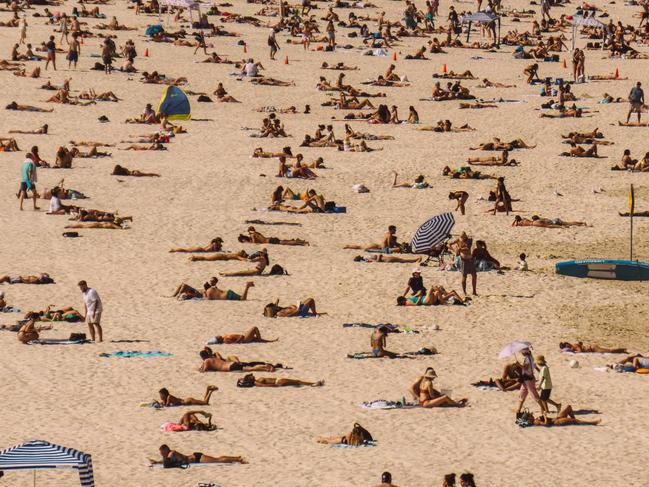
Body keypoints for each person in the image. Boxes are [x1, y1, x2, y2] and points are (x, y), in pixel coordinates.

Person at [150, 444, 246, 467]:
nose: (161, 454)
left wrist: (160, 461)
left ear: (166, 450)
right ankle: (237, 458)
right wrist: (156, 462)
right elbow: (167, 461)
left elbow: (168, 462)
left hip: (197, 458)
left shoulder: (172, 453)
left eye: (162, 452)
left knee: (218, 460)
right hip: (195, 457)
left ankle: (237, 458)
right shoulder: (170, 454)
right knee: (217, 459)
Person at [516, 348, 544, 417]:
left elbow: (525, 368)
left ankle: (543, 408)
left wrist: (518, 364)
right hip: (527, 379)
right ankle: (518, 410)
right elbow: (534, 366)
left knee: (534, 394)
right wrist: (540, 371)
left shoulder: (527, 358)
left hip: (528, 379)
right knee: (522, 393)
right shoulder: (530, 357)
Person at [199, 349, 277, 372]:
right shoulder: (213, 358)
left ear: (202, 357)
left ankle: (266, 368)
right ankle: (265, 366)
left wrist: (199, 369)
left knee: (249, 369)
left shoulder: (207, 361)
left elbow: (204, 370)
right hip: (231, 363)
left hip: (229, 367)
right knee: (248, 366)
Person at [529, 405, 601, 427]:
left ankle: (575, 422)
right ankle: (592, 423)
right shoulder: (536, 422)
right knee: (575, 421)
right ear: (529, 419)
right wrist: (544, 416)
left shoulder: (535, 419)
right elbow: (546, 424)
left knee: (568, 407)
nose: (531, 415)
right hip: (557, 422)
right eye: (530, 415)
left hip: (557, 418)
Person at [236, 373, 324, 387]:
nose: (253, 375)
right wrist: (274, 386)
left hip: (278, 380)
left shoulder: (256, 380)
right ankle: (313, 384)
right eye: (251, 375)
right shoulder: (256, 382)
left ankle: (313, 383)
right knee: (297, 382)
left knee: (297, 382)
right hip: (278, 382)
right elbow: (264, 385)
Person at [209, 326, 278, 344]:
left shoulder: (224, 337)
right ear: (219, 339)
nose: (217, 335)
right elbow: (236, 341)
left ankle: (270, 341)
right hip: (244, 339)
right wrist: (238, 341)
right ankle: (261, 340)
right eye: (217, 337)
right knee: (254, 328)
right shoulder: (225, 340)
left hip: (243, 337)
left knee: (256, 338)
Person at [559, 342, 627, 353]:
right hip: (592, 347)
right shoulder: (574, 345)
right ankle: (622, 351)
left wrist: (574, 352)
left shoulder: (574, 346)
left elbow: (580, 350)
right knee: (609, 351)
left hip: (593, 348)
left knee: (609, 351)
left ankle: (622, 349)